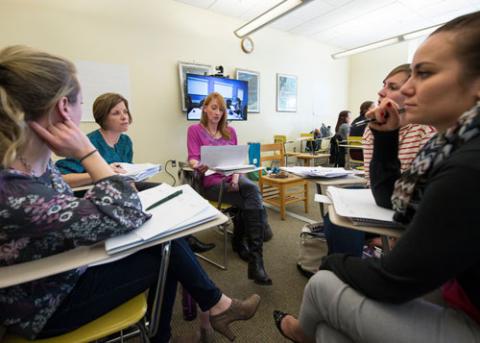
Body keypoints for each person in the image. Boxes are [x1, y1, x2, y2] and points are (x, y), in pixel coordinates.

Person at [0, 45, 261, 343]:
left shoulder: (29, 166)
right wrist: (88, 152)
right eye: (81, 104)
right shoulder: (20, 192)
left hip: (63, 266)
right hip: (48, 305)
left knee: (167, 242)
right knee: (167, 250)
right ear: (63, 109)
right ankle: (205, 311)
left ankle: (202, 312)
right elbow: (127, 210)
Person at [274, 11, 480, 342]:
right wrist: (387, 135)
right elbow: (391, 198)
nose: (405, 90)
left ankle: (301, 330)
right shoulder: (451, 146)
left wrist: (334, 263)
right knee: (328, 330)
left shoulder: (467, 164)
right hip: (461, 290)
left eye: (423, 74)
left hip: (464, 310)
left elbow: (395, 280)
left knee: (323, 284)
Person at [55, 92, 215, 253]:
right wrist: (99, 173)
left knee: (164, 190)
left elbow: (127, 174)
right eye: (116, 113)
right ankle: (178, 243)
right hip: (97, 195)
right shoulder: (89, 143)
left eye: (125, 111)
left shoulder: (125, 141)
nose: (124, 117)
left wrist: (134, 186)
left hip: (121, 190)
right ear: (102, 117)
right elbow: (62, 179)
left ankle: (183, 238)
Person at [325, 64, 436, 256]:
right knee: (335, 213)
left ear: (413, 93)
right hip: (383, 194)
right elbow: (373, 181)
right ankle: (348, 264)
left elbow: (418, 195)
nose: (381, 91)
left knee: (344, 220)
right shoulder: (373, 128)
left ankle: (350, 265)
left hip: (412, 204)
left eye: (392, 87)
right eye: (384, 85)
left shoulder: (426, 129)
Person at [187, 92, 272, 285]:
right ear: (205, 109)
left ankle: (254, 257)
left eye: (221, 109)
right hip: (211, 183)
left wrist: (235, 176)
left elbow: (236, 160)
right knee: (253, 199)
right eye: (214, 108)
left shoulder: (230, 131)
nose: (217, 112)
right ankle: (250, 253)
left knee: (250, 189)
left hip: (232, 177)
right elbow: (192, 157)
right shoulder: (194, 130)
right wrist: (196, 165)